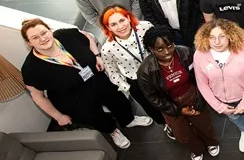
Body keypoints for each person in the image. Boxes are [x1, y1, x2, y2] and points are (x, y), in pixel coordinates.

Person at [20, 19, 152, 149]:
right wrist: (58, 116)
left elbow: (88, 37)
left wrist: (97, 55)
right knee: (95, 116)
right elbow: (38, 97)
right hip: (73, 96)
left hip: (96, 78)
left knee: (118, 100)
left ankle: (128, 120)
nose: (42, 39)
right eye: (35, 38)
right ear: (29, 43)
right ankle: (113, 131)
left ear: (49, 30)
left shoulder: (64, 35)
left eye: (44, 33)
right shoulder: (31, 68)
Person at [137, 26, 220, 160]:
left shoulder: (186, 53)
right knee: (182, 135)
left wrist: (199, 99)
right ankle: (197, 149)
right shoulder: (145, 71)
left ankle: (211, 142)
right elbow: (153, 97)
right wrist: (178, 110)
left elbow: (200, 77)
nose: (167, 52)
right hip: (169, 102)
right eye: (160, 49)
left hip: (191, 94)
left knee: (204, 124)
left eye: (170, 46)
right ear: (151, 49)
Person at [193, 19, 244, 153]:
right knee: (235, 117)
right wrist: (219, 107)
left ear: (230, 35)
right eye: (212, 37)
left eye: (221, 36)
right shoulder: (199, 54)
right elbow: (202, 84)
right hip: (223, 100)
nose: (217, 42)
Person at [98, 5, 169, 138]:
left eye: (122, 20)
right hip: (137, 82)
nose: (120, 27)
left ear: (129, 18)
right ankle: (167, 124)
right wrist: (128, 87)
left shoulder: (145, 27)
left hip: (160, 70)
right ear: (108, 27)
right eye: (113, 24)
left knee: (170, 96)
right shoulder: (107, 49)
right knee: (152, 108)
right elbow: (112, 73)